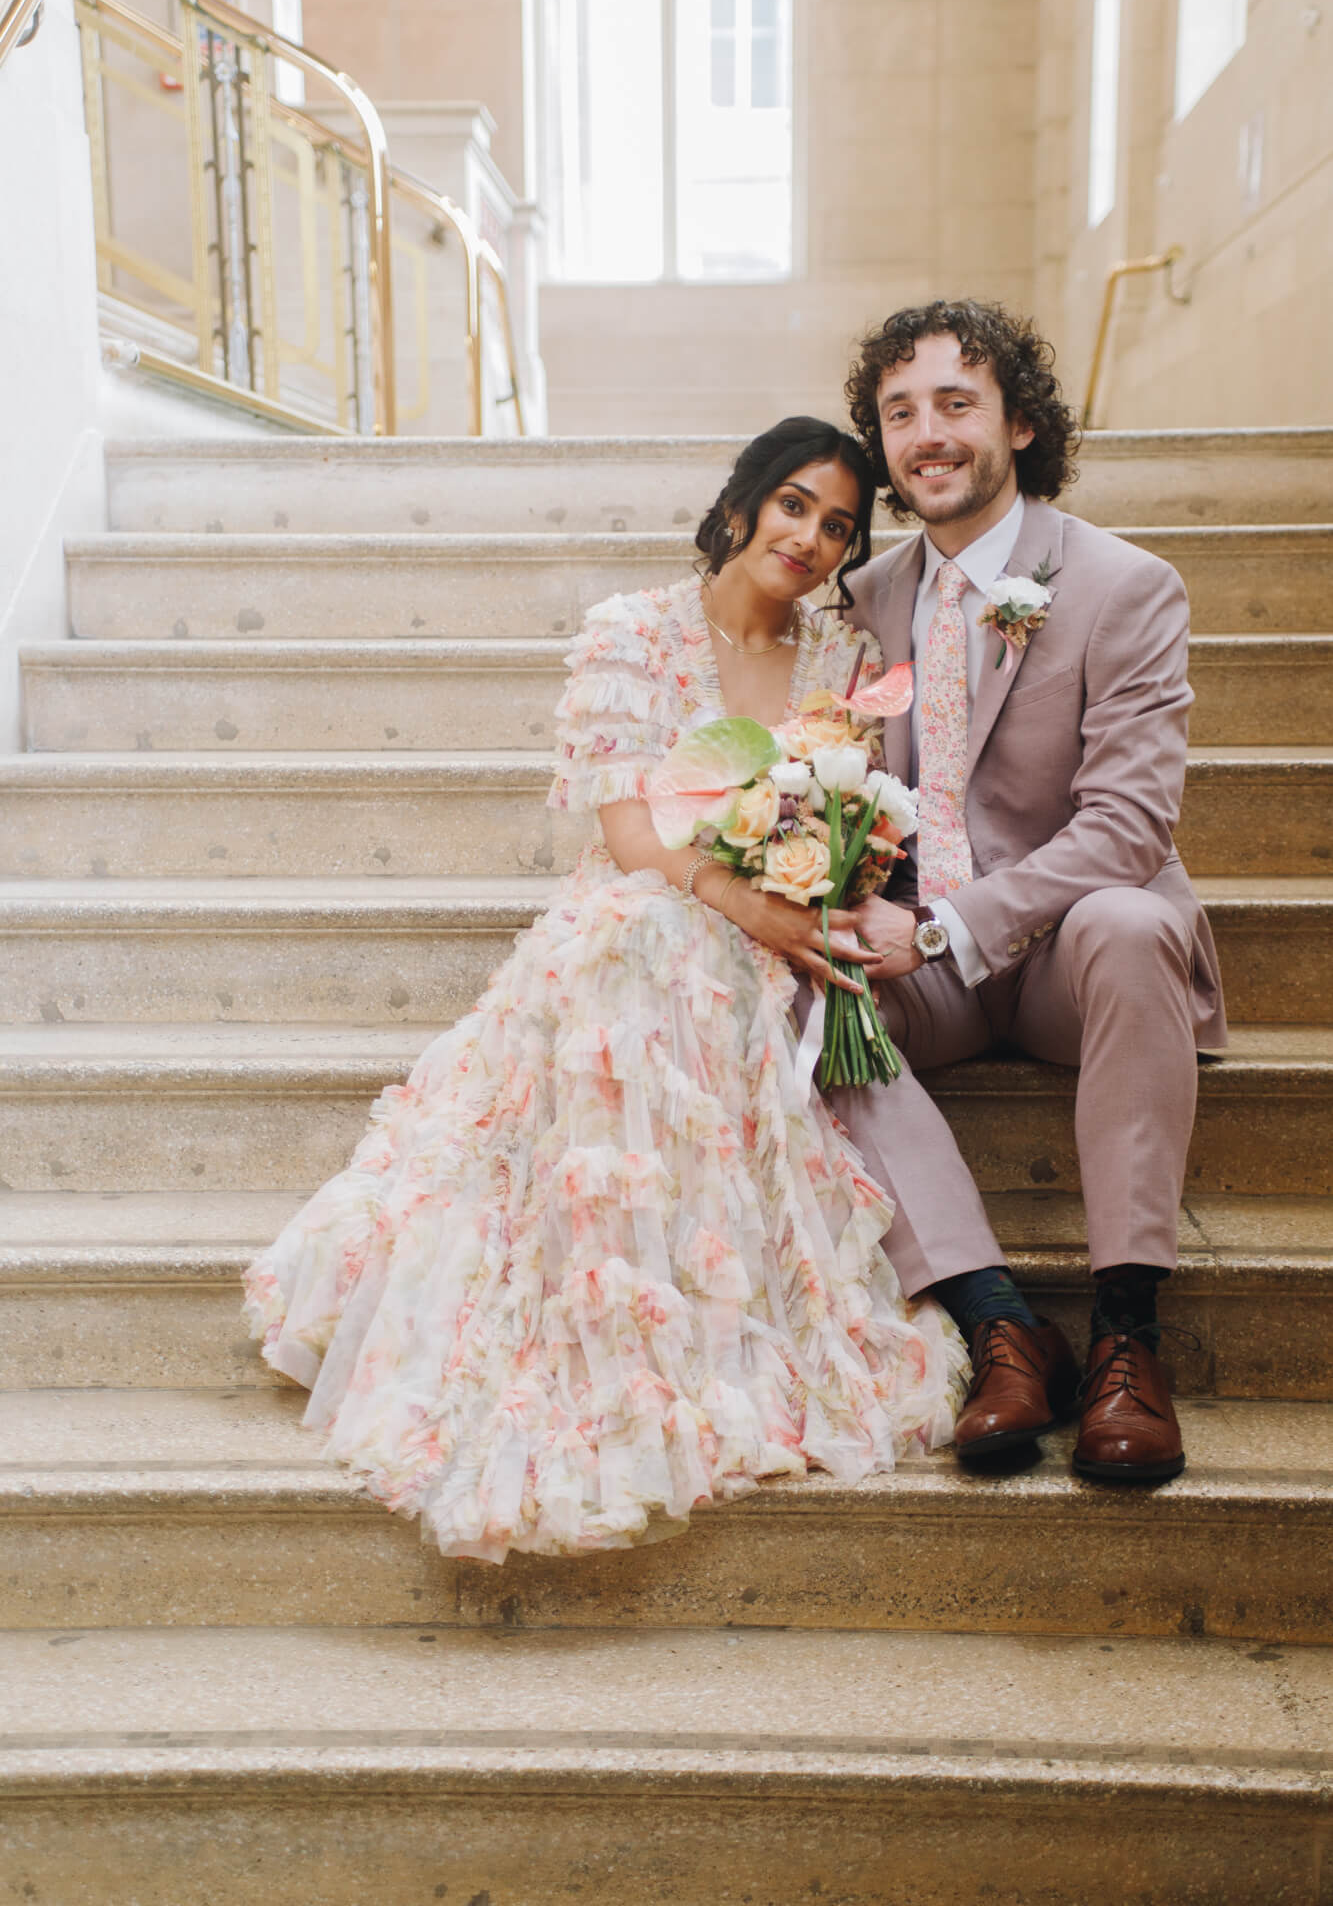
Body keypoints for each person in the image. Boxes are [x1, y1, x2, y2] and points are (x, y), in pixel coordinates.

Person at [243, 417, 967, 1563]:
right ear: (740, 505)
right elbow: (631, 835)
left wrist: (818, 874)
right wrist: (751, 903)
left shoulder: (840, 658)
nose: (809, 538)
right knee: (635, 940)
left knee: (664, 953)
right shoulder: (633, 631)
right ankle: (587, 1296)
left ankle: (673, 1310)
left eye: (837, 525)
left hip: (767, 933)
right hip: (655, 899)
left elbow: (848, 825)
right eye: (791, 504)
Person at [819, 298, 1225, 1483]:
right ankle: (998, 1321)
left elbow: (1129, 827)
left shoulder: (1122, 585)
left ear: (1021, 425)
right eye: (900, 412)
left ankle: (1126, 1337)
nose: (926, 434)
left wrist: (949, 923)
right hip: (928, 966)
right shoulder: (859, 600)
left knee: (1132, 917)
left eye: (956, 403)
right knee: (799, 978)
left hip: (1065, 957)